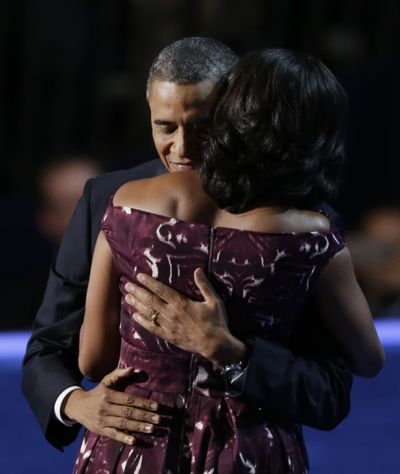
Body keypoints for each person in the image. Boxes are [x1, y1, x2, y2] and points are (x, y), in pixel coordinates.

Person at [22, 38, 352, 455]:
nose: (183, 149)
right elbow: (49, 348)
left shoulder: (305, 223)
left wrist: (234, 354)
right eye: (166, 126)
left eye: (204, 127)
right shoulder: (108, 198)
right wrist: (75, 402)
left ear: (238, 116)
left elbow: (330, 394)